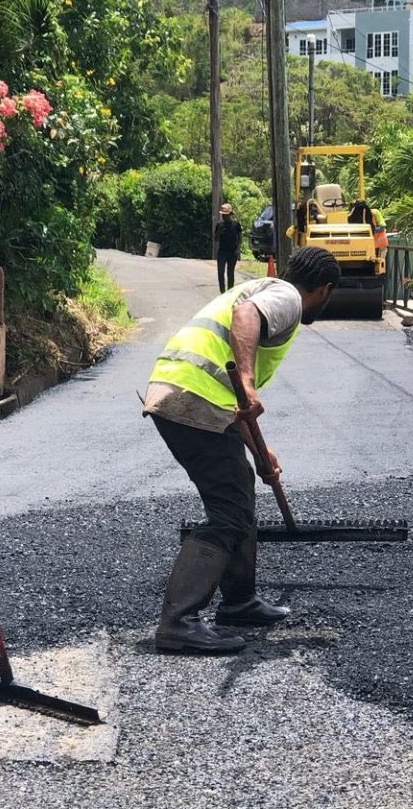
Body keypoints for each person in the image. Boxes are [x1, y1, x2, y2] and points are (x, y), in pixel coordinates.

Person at [144, 247, 340, 654]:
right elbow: (246, 316)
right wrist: (248, 381)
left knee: (239, 491)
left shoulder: (266, 288)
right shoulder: (286, 296)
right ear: (324, 289)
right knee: (229, 512)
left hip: (188, 392)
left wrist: (260, 452)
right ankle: (178, 622)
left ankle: (239, 601)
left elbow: (236, 404)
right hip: (192, 395)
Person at [215, 203, 242, 293]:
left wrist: (238, 250)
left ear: (230, 214)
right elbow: (216, 239)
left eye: (225, 215)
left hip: (232, 252)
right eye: (223, 215)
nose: (224, 216)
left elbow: (240, 238)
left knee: (230, 273)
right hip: (222, 252)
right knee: (220, 273)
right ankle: (222, 292)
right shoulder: (219, 225)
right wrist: (219, 232)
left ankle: (230, 292)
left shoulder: (236, 225)